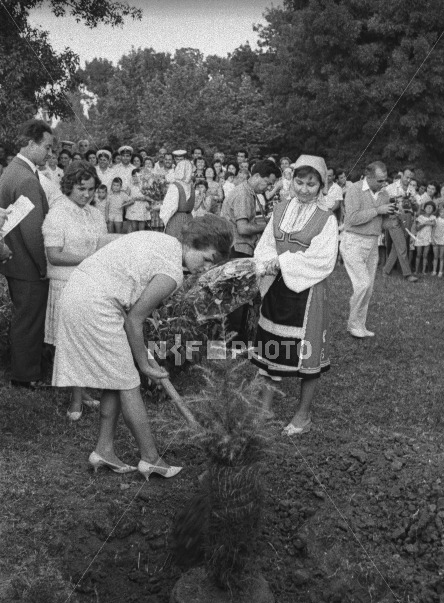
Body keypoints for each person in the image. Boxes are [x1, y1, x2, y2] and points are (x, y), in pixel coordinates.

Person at [52, 216, 233, 477]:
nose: (204, 269)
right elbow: (136, 320)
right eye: (205, 259)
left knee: (114, 378)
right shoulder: (171, 272)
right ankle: (150, 458)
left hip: (84, 293)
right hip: (94, 304)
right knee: (129, 382)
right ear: (193, 243)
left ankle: (104, 450)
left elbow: (129, 305)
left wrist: (140, 355)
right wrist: (145, 364)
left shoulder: (165, 242)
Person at [250, 155, 338, 436]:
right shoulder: (280, 209)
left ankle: (303, 414)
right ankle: (265, 407)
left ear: (321, 186)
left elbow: (323, 259)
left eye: (310, 184)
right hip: (277, 288)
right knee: (270, 345)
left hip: (307, 292)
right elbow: (265, 244)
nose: (303, 189)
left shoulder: (327, 219)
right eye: (299, 181)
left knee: (306, 353)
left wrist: (284, 262)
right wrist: (266, 263)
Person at [43, 160, 113, 419]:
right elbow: (54, 255)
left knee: (85, 340)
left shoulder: (95, 213)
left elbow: (102, 244)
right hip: (65, 284)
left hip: (90, 283)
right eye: (81, 189)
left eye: (91, 189)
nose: (86, 194)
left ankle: (81, 392)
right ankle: (75, 400)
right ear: (69, 187)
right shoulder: (57, 213)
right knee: (71, 343)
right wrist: (88, 257)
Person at [0, 119, 53, 388]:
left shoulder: (12, 170)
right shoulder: (27, 178)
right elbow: (33, 232)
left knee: (23, 317)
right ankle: (25, 376)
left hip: (13, 260)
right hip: (27, 264)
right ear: (31, 144)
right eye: (46, 147)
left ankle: (22, 369)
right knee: (29, 320)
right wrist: (43, 266)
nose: (49, 153)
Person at [221, 159, 279, 343]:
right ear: (255, 176)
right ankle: (235, 341)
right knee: (238, 297)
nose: (268, 188)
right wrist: (267, 225)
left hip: (239, 248)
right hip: (237, 249)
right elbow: (243, 229)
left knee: (239, 296)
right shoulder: (244, 195)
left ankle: (237, 338)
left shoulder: (249, 192)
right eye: (267, 183)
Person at [340, 161, 394, 338]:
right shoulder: (354, 190)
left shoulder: (384, 194)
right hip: (353, 241)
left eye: (385, 180)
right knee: (362, 283)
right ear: (368, 177)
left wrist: (393, 221)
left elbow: (381, 222)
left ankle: (360, 325)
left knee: (368, 287)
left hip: (372, 243)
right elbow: (352, 219)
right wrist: (378, 210)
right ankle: (352, 324)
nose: (383, 184)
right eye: (379, 181)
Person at [382, 167, 418, 281]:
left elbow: (416, 207)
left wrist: (413, 202)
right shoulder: (390, 188)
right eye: (407, 177)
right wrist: (395, 200)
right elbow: (382, 203)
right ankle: (407, 274)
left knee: (397, 246)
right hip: (393, 218)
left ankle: (386, 270)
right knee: (402, 246)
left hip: (407, 217)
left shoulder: (412, 189)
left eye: (410, 178)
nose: (408, 179)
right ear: (401, 174)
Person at [160, 159, 194, 239]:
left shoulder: (175, 186)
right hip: (189, 219)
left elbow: (170, 208)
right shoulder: (191, 186)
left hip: (177, 220)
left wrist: (160, 210)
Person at [414, 201, 436, 274]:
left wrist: (423, 223)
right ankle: (416, 271)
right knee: (418, 255)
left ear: (433, 210)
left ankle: (423, 271)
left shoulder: (433, 217)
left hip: (428, 238)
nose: (429, 208)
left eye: (431, 207)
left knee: (425, 255)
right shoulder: (420, 217)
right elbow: (417, 228)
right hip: (419, 238)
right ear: (424, 208)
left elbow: (433, 223)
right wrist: (426, 223)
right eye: (427, 207)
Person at [431, 205, 444, 277]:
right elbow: (433, 230)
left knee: (441, 257)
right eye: (441, 212)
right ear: (439, 213)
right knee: (435, 256)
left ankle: (440, 271)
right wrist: (432, 239)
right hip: (436, 240)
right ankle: (434, 271)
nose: (443, 213)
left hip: (443, 241)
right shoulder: (436, 220)